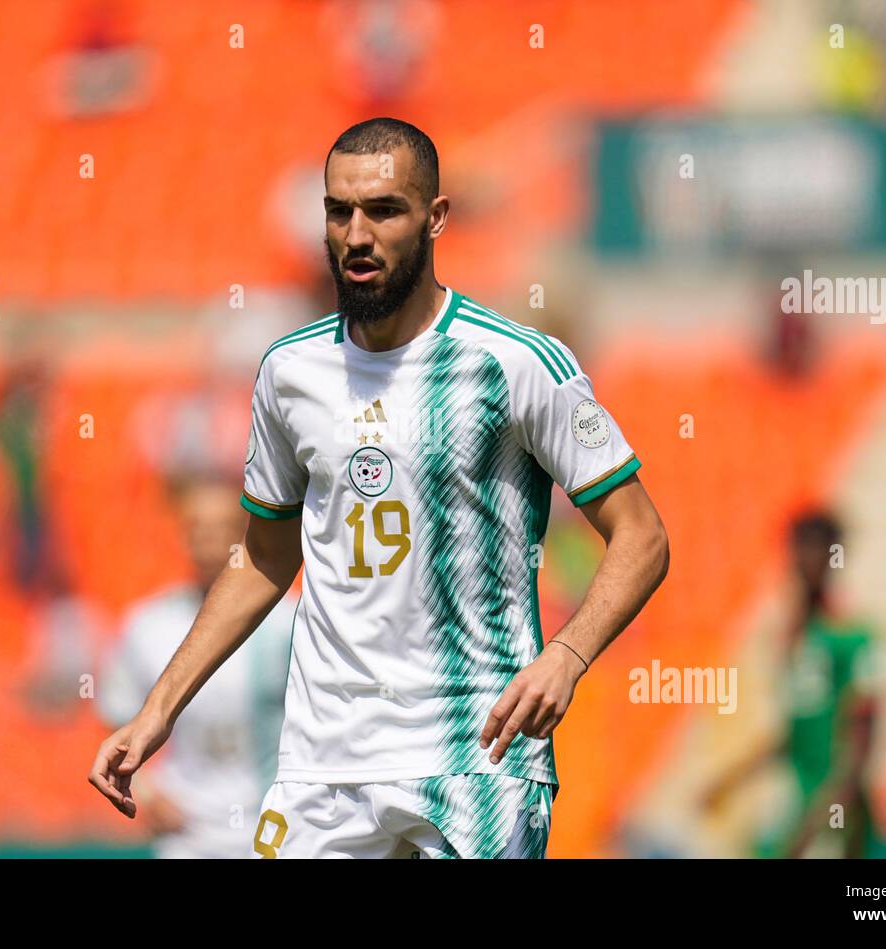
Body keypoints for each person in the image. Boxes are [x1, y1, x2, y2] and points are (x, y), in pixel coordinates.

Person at [89, 117, 668, 859]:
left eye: (385, 210)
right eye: (339, 212)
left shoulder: (517, 364)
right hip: (323, 764)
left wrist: (567, 654)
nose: (356, 234)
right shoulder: (289, 374)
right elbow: (265, 556)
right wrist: (157, 710)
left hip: (474, 755)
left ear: (435, 219)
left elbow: (642, 534)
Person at [98, 472, 295, 859]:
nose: (206, 543)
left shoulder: (288, 621)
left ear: (244, 535)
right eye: (196, 530)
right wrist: (150, 790)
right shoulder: (148, 624)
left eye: (220, 529)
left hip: (272, 828)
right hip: (187, 836)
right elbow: (117, 716)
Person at [702, 511, 886, 858]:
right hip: (799, 806)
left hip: (837, 820)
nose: (806, 561)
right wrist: (731, 780)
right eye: (800, 550)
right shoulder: (793, 638)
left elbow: (862, 744)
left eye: (818, 550)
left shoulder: (855, 635)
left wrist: (819, 823)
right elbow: (797, 732)